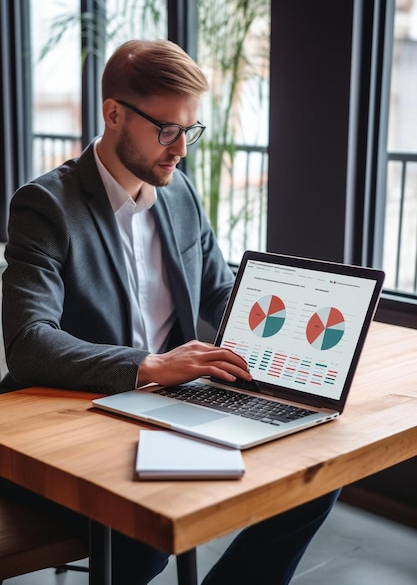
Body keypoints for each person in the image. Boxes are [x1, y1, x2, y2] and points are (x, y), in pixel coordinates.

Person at [1, 39, 340, 584]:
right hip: (78, 421)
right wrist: (149, 365)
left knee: (313, 478)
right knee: (144, 541)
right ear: (113, 114)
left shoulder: (178, 190)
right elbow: (30, 341)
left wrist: (296, 343)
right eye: (167, 130)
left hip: (172, 408)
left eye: (190, 130)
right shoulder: (46, 205)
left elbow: (218, 292)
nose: (181, 148)